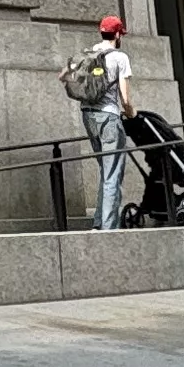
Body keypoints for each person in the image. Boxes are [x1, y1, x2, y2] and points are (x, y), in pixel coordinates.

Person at [76, 14, 136, 230]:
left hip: (88, 115)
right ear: (118, 34)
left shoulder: (91, 53)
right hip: (109, 117)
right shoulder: (120, 58)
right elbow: (125, 98)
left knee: (106, 170)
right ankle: (109, 228)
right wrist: (132, 114)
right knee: (112, 174)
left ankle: (99, 223)